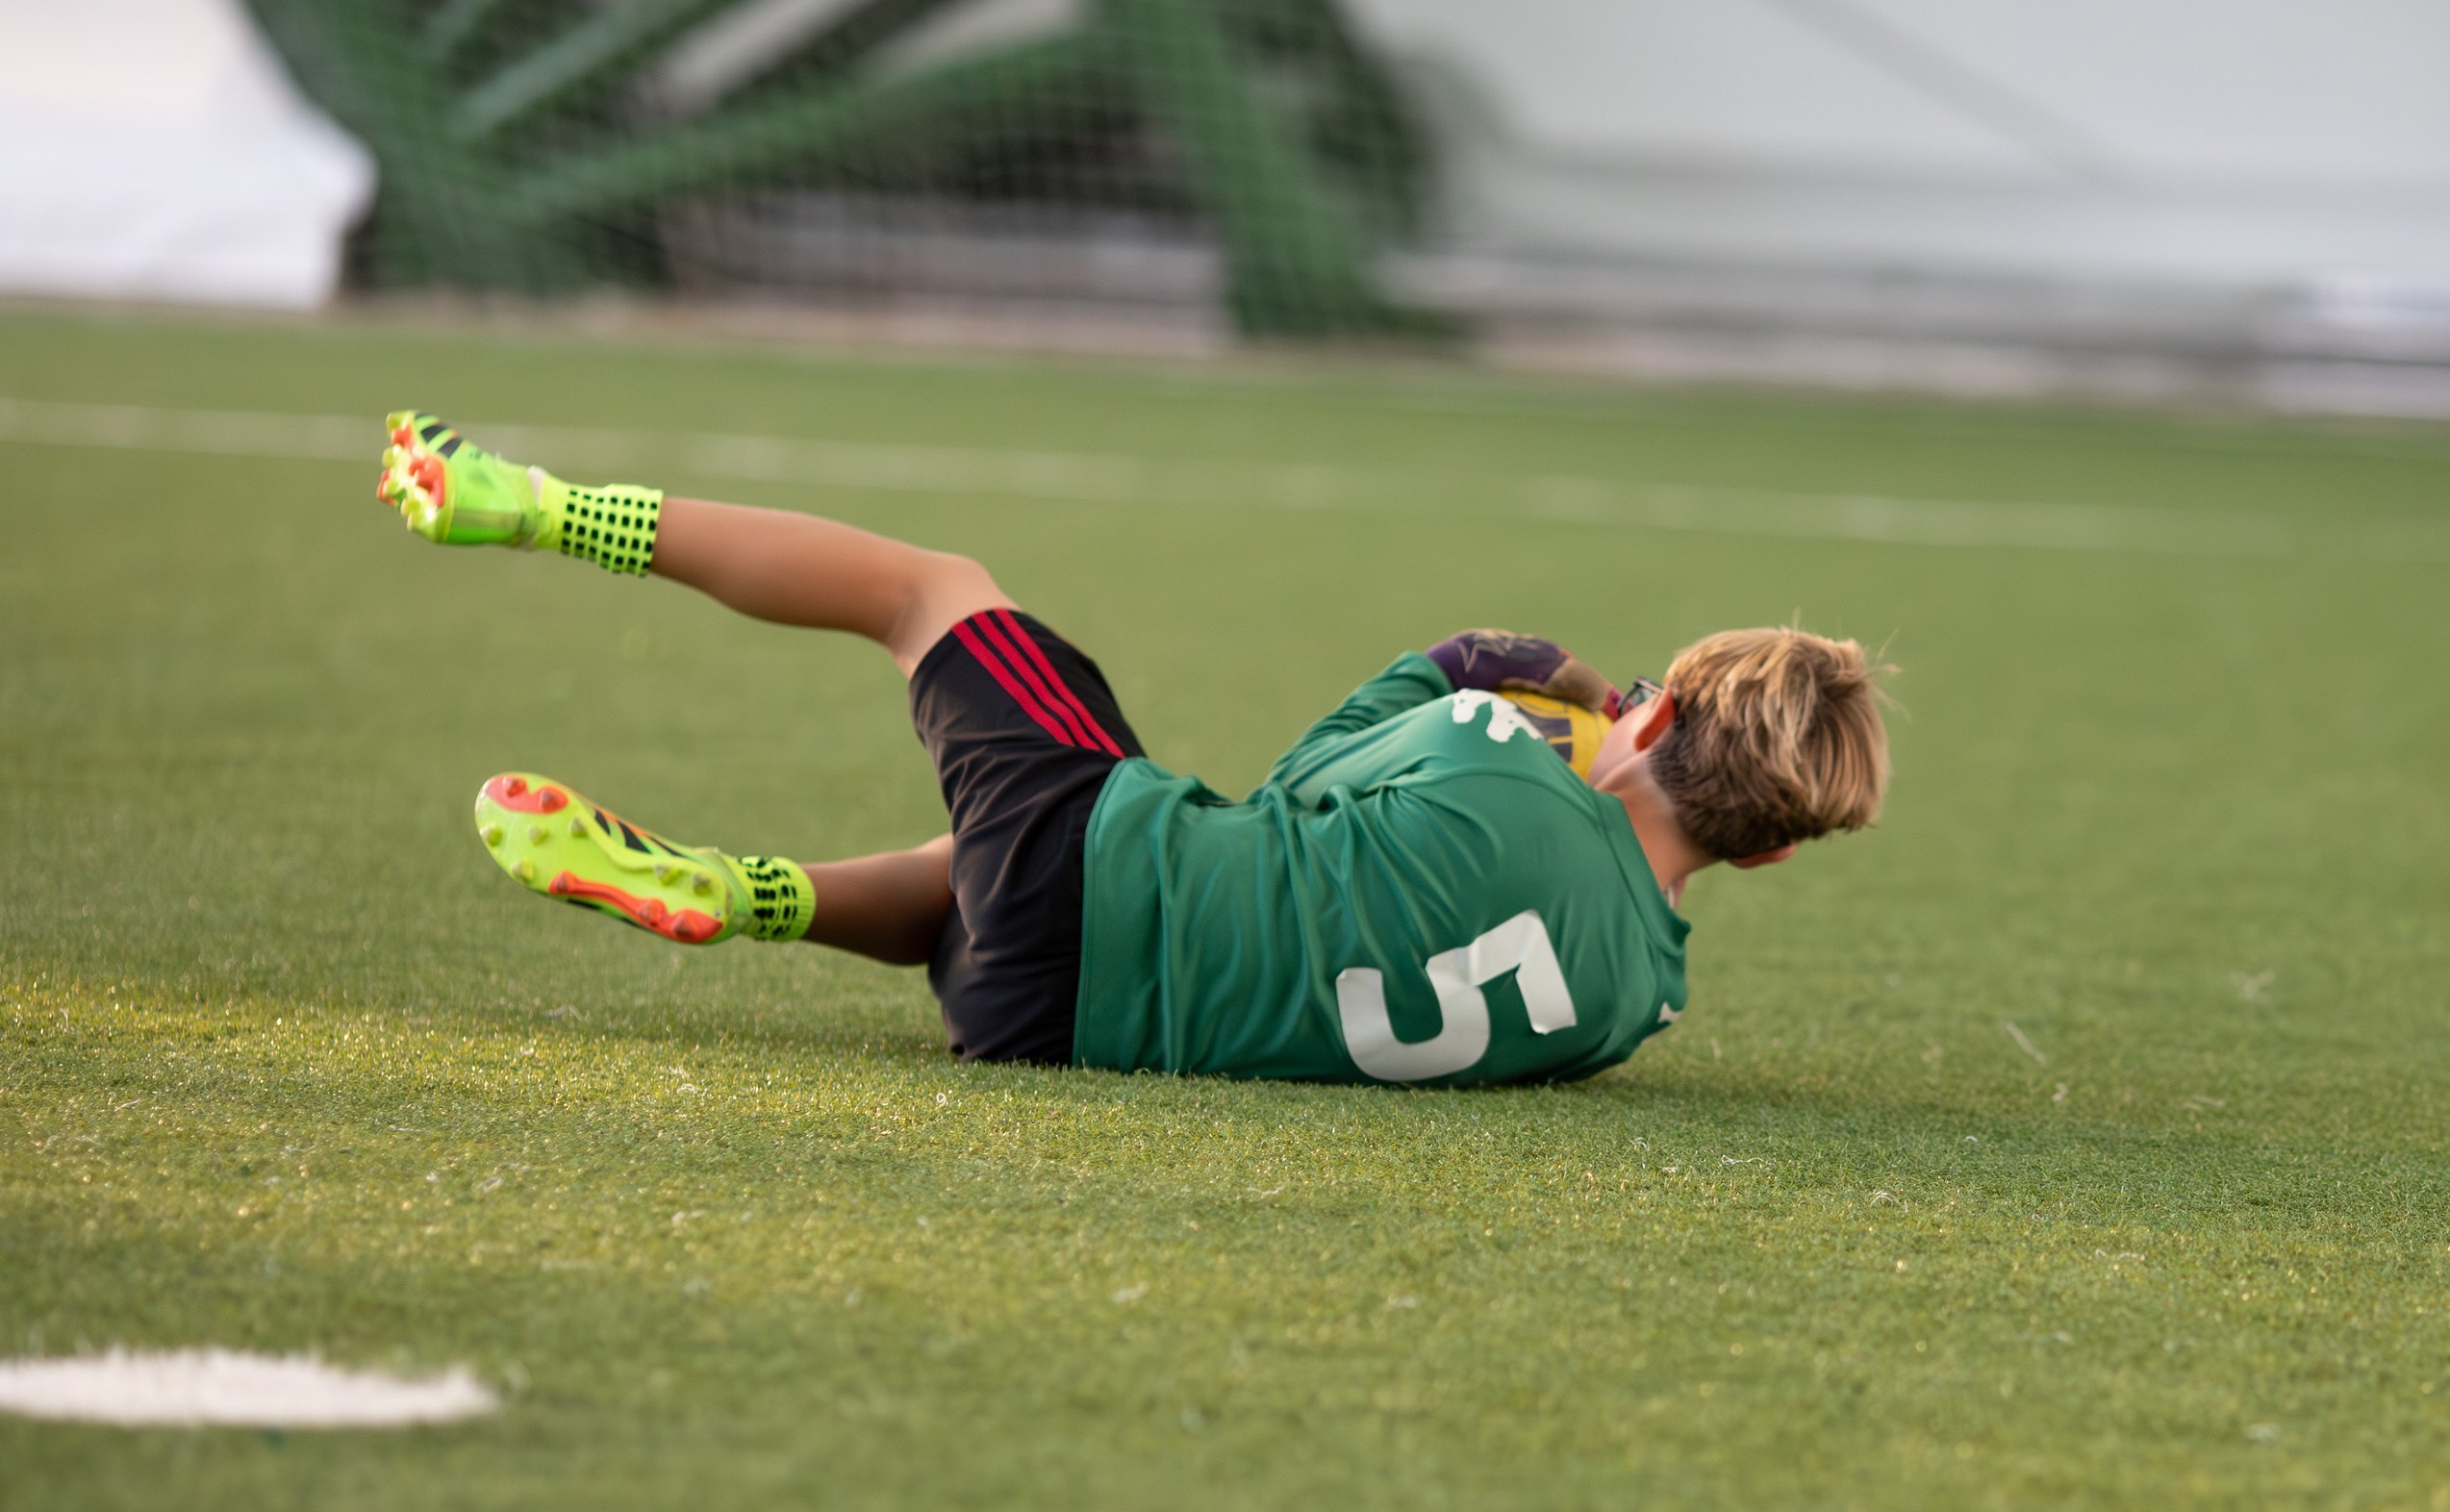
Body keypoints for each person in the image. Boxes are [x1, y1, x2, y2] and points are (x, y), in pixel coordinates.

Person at [376, 411, 1889, 1086]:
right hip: (1040, 1022)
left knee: (936, 593)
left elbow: (1297, 791)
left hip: (1101, 874)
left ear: (1658, 712)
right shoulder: (1643, 1004)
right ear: (1769, 846)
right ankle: (740, 892)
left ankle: (536, 502)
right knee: (996, 876)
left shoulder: (1502, 746)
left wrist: (1493, 669)